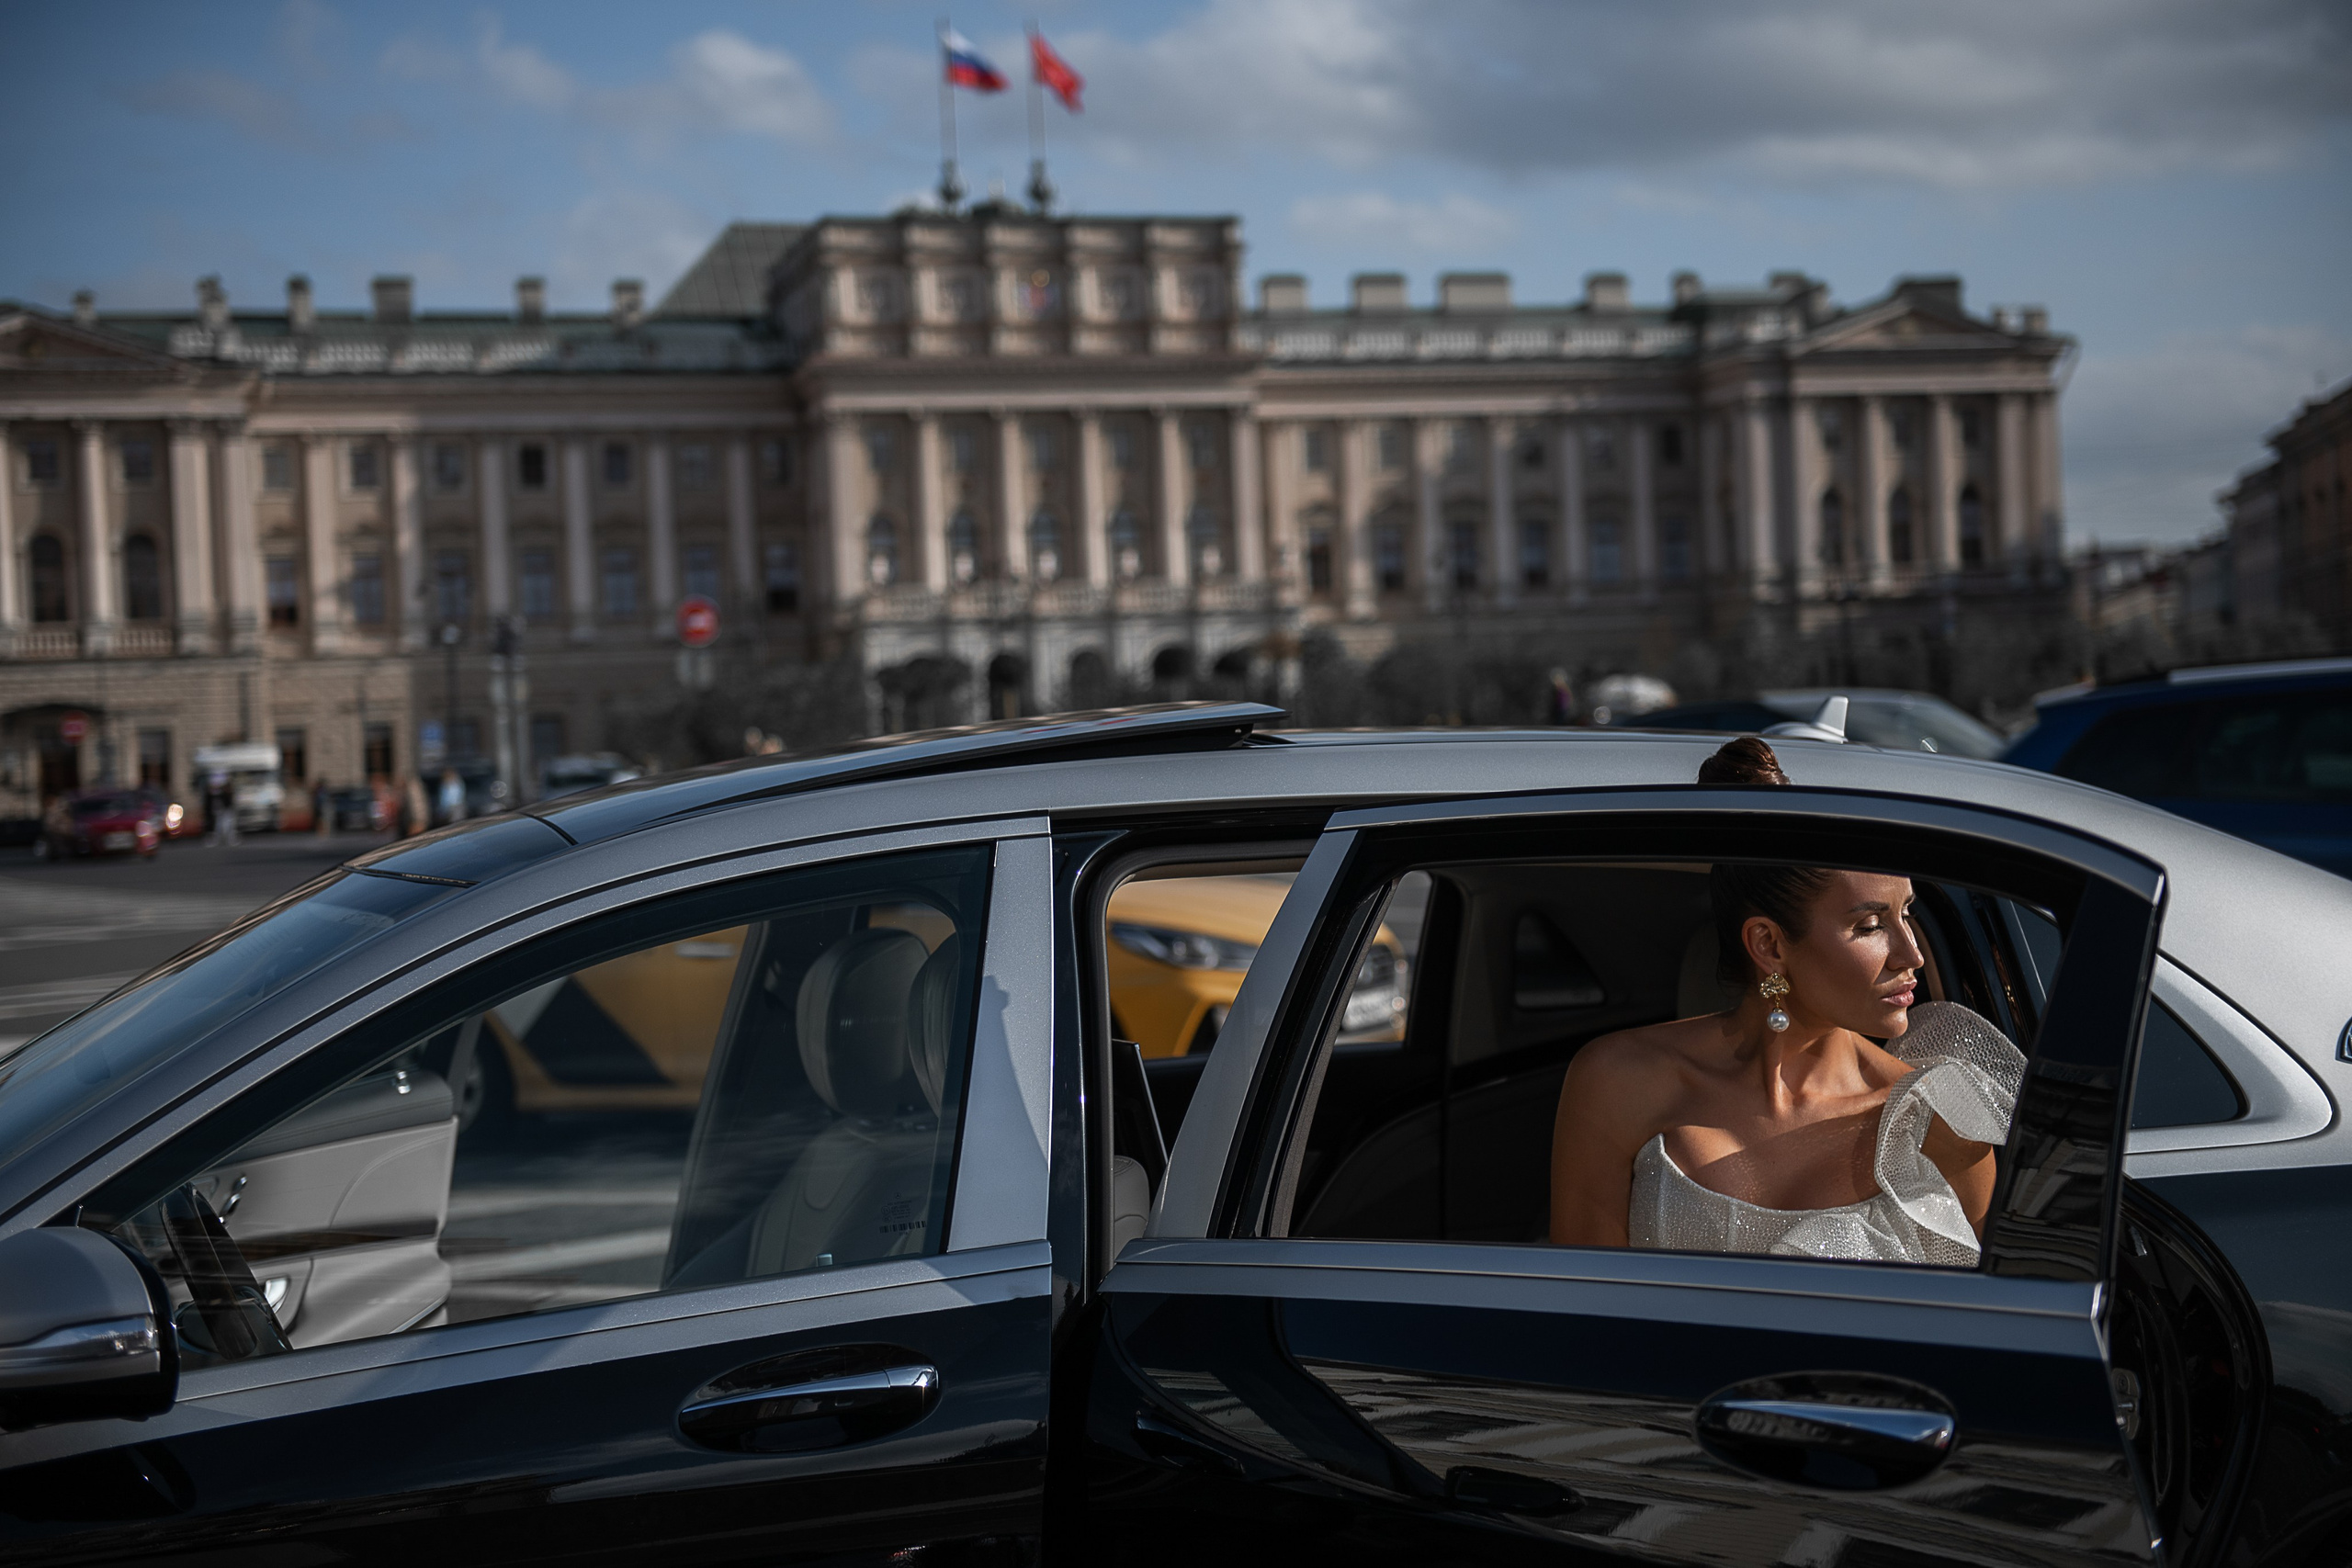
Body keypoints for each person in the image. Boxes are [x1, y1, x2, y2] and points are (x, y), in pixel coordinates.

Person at [1547, 735, 2022, 1265]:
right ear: (1769, 945)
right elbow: (1581, 1303)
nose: (1911, 954)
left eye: (1907, 913)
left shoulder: (1942, 1121)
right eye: (1870, 926)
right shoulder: (1618, 1082)